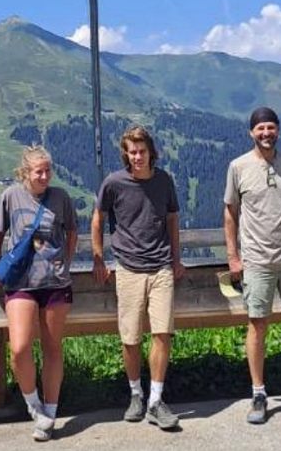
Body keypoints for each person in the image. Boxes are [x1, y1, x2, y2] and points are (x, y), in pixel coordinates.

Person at [224, 106, 281, 425]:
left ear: (278, 130)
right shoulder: (238, 167)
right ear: (251, 132)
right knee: (257, 326)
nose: (266, 133)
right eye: (260, 128)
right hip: (256, 262)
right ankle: (258, 394)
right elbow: (230, 213)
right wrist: (233, 257)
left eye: (271, 128)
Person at [92, 125, 185, 430]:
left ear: (150, 151)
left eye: (142, 151)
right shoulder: (114, 183)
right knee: (130, 338)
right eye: (132, 152)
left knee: (162, 333)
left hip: (160, 267)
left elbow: (172, 218)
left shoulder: (163, 180)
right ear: (126, 154)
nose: (137, 157)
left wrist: (176, 258)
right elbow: (98, 218)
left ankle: (156, 401)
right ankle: (136, 394)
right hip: (128, 267)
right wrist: (98, 258)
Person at [0, 146, 77, 442]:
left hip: (54, 282)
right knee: (20, 348)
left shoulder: (60, 197)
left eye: (48, 170)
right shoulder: (11, 196)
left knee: (53, 348)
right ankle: (33, 404)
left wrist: (68, 262)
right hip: (21, 283)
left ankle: (50, 413)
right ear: (25, 172)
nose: (45, 176)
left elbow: (73, 230)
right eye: (38, 171)